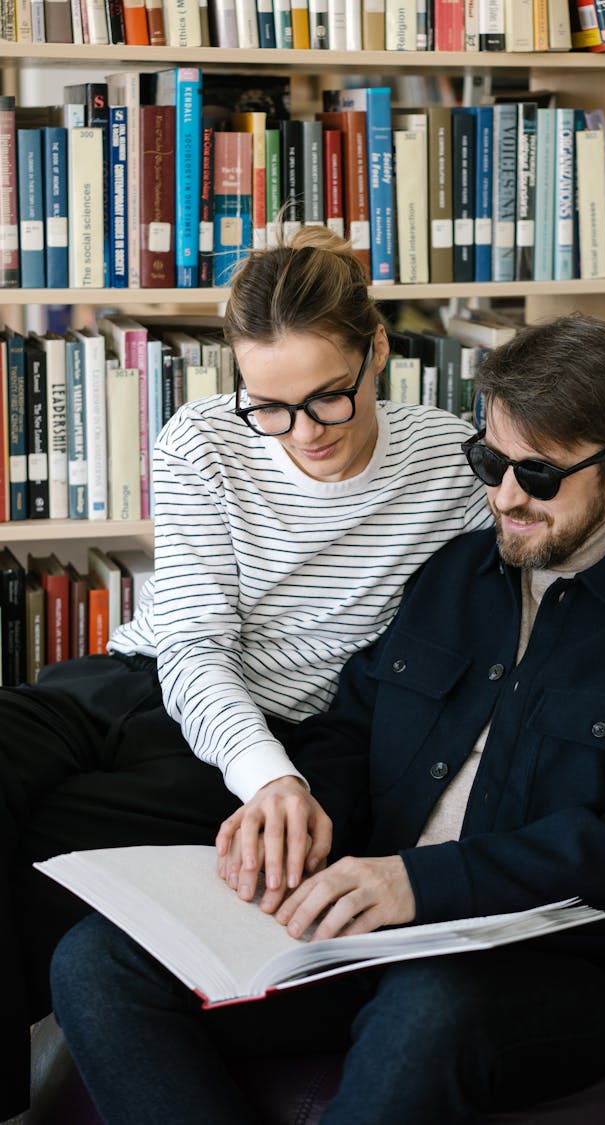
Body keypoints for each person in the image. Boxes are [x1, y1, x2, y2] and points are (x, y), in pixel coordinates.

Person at [49, 312, 605, 1124]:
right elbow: (354, 730)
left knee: (429, 1004)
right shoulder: (456, 574)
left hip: (563, 968)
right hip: (370, 932)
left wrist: (419, 883)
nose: (507, 498)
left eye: (541, 475)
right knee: (98, 960)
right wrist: (299, 816)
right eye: (489, 462)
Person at [0, 227, 490, 1119]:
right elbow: (191, 644)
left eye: (328, 399)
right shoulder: (201, 438)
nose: (302, 434)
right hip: (144, 680)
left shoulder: (452, 468)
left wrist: (280, 778)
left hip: (279, 735)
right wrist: (264, 775)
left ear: (377, 348)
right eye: (268, 404)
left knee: (53, 849)